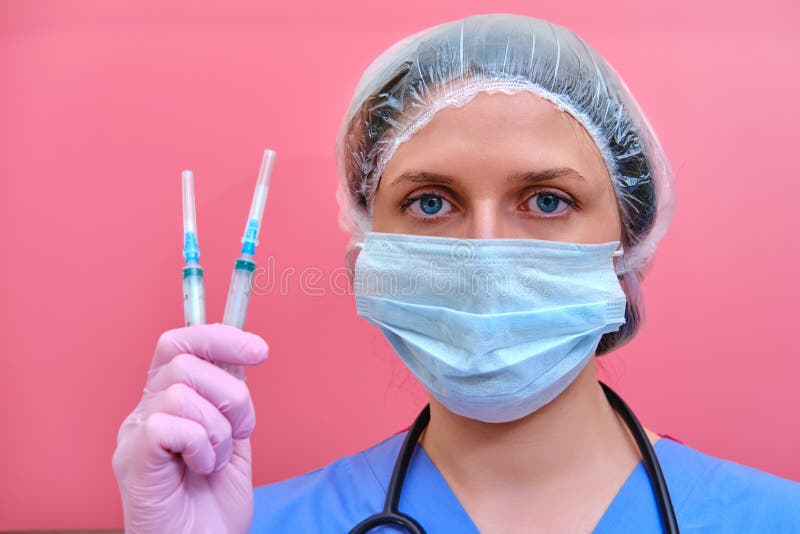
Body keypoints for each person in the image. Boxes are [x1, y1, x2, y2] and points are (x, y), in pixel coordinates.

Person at [112, 14, 800, 533]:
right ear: (369, 253)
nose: (485, 256)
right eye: (430, 203)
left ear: (626, 246)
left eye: (548, 200)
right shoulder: (246, 524)